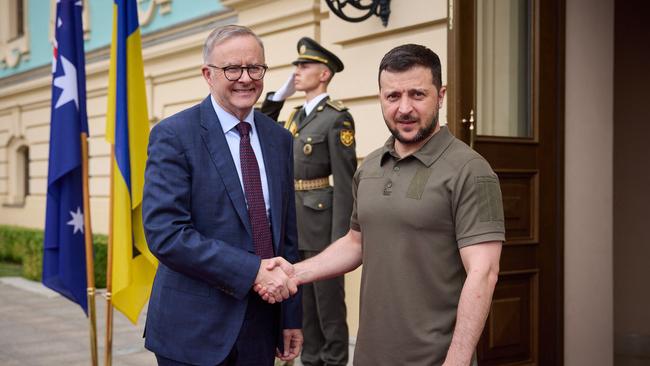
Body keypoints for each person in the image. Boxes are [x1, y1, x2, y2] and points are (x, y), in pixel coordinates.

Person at [259, 44, 505, 366]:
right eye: (393, 96)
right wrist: (295, 272)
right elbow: (356, 242)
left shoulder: (470, 170)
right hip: (369, 354)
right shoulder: (370, 167)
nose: (404, 108)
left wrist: (456, 360)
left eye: (417, 94)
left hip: (432, 358)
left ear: (440, 95)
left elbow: (483, 272)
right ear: (381, 98)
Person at [142, 25, 303, 366]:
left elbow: (286, 235)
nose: (245, 78)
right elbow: (166, 234)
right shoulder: (174, 135)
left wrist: (290, 316)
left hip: (262, 326)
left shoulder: (279, 139)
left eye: (254, 68)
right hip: (193, 331)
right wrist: (253, 271)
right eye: (232, 68)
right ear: (208, 74)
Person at [260, 37, 356, 366]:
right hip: (294, 223)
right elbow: (262, 128)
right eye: (296, 67)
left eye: (304, 66)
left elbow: (346, 183)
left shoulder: (336, 117)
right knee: (304, 308)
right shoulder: (296, 114)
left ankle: (334, 361)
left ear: (324, 74)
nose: (297, 72)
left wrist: (342, 238)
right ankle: (311, 360)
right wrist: (277, 98)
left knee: (329, 308)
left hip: (323, 223)